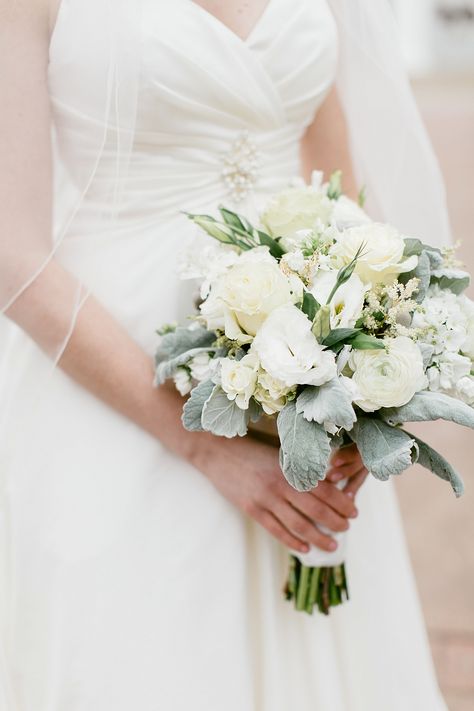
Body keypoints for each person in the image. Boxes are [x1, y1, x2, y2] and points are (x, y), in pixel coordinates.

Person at [0, 1, 448, 709]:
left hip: (298, 373)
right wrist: (201, 444)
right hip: (110, 385)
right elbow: (12, 256)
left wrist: (356, 377)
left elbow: (337, 188)